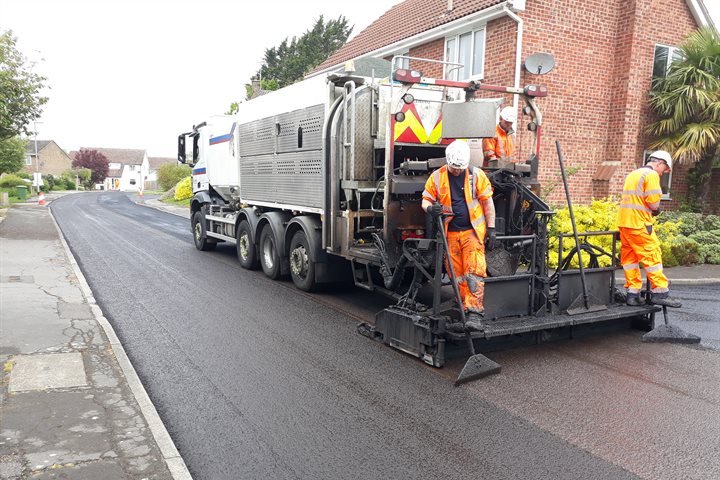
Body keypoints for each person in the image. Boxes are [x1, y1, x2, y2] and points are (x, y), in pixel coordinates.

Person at [422, 140, 496, 329]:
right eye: (454, 168)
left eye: (459, 168)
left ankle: (475, 312)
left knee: (474, 271)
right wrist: (432, 209)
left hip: (472, 233)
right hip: (451, 234)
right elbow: (425, 200)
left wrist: (492, 228)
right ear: (448, 162)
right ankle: (463, 307)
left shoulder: (476, 175)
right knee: (457, 274)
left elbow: (488, 203)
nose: (456, 171)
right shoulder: (437, 177)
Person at [618, 150, 681, 308]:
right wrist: (656, 209)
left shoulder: (633, 174)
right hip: (639, 224)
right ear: (659, 163)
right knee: (652, 255)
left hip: (625, 223)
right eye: (664, 170)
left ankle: (632, 295)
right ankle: (660, 292)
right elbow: (653, 203)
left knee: (630, 259)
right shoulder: (651, 175)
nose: (662, 174)